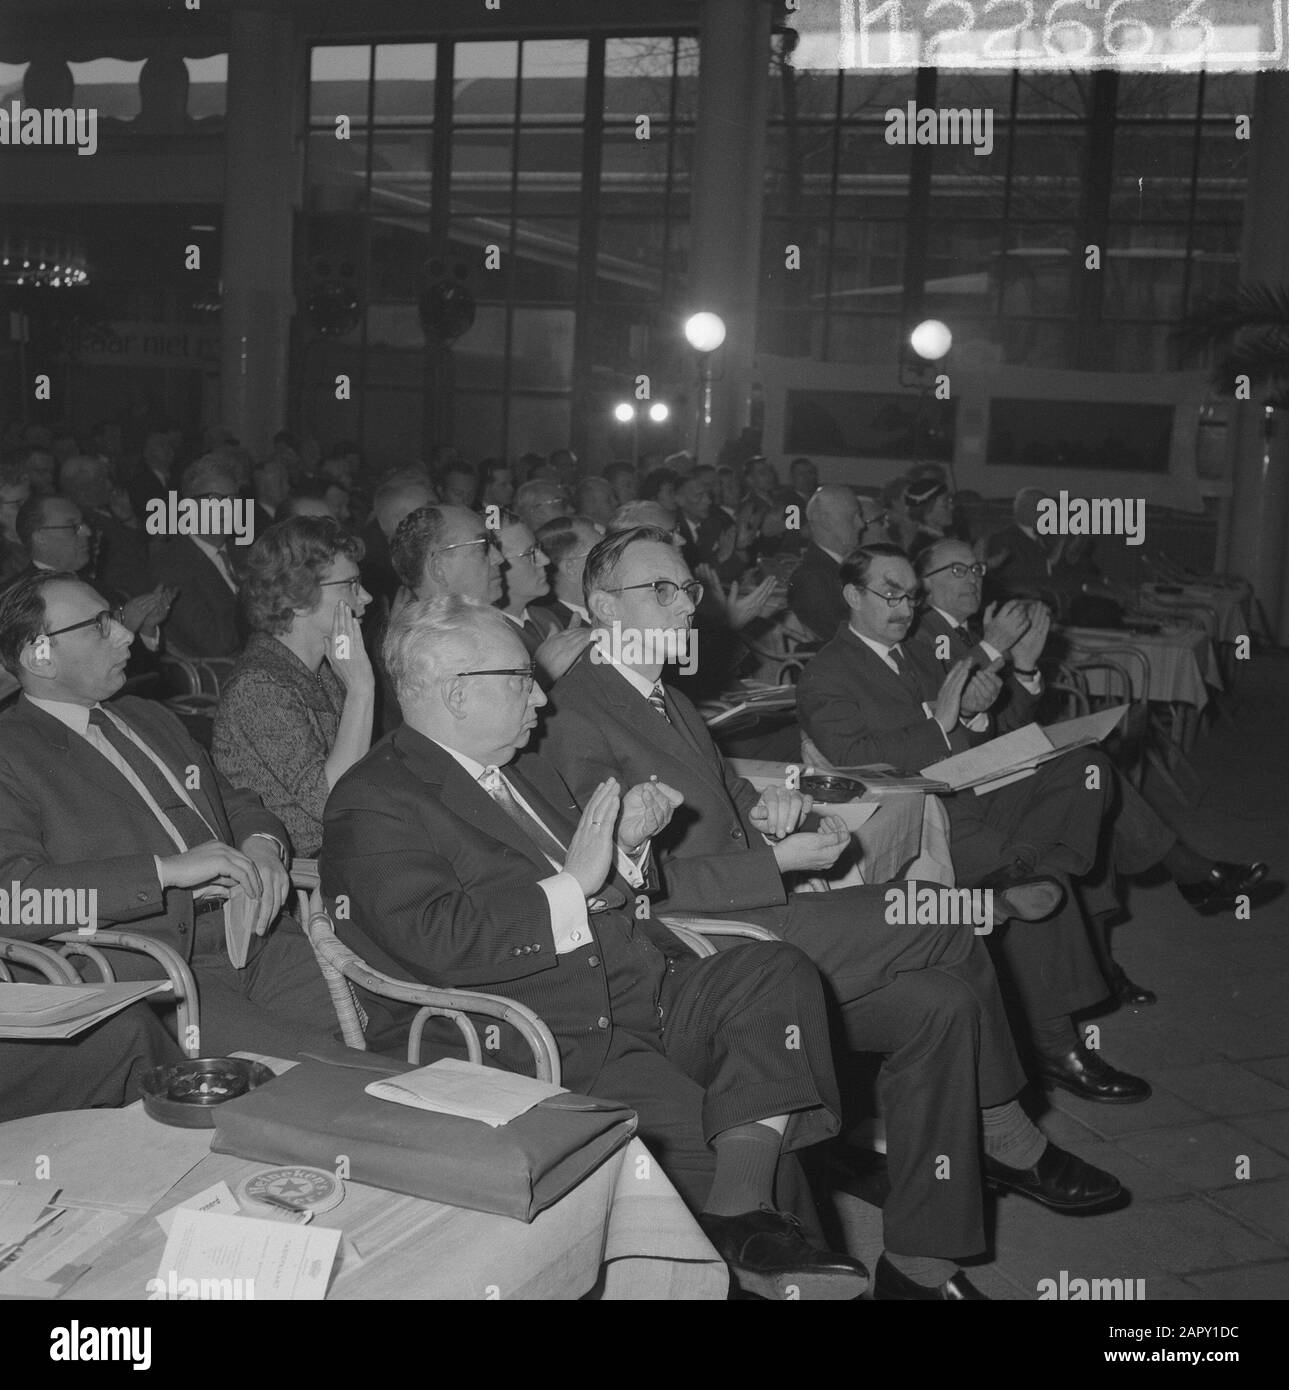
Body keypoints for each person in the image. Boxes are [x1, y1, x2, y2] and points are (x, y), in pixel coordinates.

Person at [536, 527, 1126, 1298]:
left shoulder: (664, 695)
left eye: (687, 589)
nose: (684, 606)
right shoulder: (575, 714)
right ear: (603, 606)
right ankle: (1010, 1131)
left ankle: (918, 1268)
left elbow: (725, 797)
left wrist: (771, 807)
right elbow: (622, 886)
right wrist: (770, 862)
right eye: (660, 591)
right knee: (934, 914)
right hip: (701, 950)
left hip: (758, 911)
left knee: (942, 1005)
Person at [321, 597, 868, 1299]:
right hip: (534, 1029)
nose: (542, 696)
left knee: (775, 972)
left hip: (633, 985)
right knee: (768, 1147)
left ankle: (739, 1214)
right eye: (520, 677)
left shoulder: (516, 770)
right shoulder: (375, 799)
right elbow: (439, 942)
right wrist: (574, 883)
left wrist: (628, 848)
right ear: (456, 691)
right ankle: (756, 1233)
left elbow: (602, 886)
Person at [796, 543, 1152, 1104]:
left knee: (1084, 768)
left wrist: (977, 711)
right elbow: (851, 762)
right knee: (1045, 874)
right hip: (923, 814)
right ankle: (1058, 1043)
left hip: (968, 787)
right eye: (890, 593)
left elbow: (973, 733)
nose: (904, 608)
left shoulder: (911, 653)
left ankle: (1022, 869)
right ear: (851, 595)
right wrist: (943, 722)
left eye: (911, 597)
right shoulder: (828, 672)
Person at [910, 538, 1272, 999]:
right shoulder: (921, 636)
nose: (974, 578)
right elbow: (947, 722)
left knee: (1093, 784)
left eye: (977, 568)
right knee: (1091, 784)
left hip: (989, 764)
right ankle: (1189, 877)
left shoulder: (968, 632)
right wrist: (994, 647)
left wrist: (1022, 669)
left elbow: (1003, 720)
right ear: (923, 586)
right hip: (955, 787)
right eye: (957, 571)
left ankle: (1112, 959)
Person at [0, 571, 338, 1057]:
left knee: (382, 1045)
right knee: (319, 1075)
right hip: (163, 967)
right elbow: (15, 899)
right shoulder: (12, 753)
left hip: (260, 936)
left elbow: (235, 801)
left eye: (114, 617)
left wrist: (263, 846)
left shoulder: (147, 716)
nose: (126, 633)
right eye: (100, 625)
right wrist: (165, 872)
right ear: (40, 656)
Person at [212, 517, 375, 858]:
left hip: (347, 854)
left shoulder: (323, 668)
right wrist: (362, 690)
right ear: (299, 599)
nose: (368, 597)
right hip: (308, 875)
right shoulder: (258, 687)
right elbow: (330, 801)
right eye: (351, 584)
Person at [148, 453, 246, 658]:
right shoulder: (171, 563)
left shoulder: (245, 554)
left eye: (233, 499)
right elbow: (215, 643)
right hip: (220, 677)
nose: (227, 507)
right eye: (214, 499)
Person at [787, 485, 867, 642]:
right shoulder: (812, 579)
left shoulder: (831, 569)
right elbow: (843, 640)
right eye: (853, 516)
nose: (861, 524)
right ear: (826, 522)